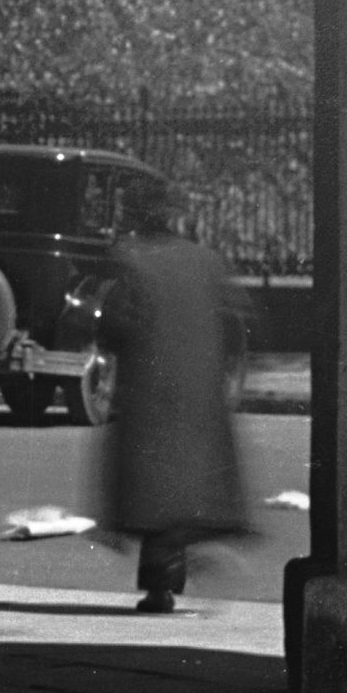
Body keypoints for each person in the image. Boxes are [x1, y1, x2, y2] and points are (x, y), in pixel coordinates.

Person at [95, 211, 246, 611]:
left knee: (154, 493)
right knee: (190, 483)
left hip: (149, 391)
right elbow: (234, 323)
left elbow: (112, 325)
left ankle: (162, 583)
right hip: (199, 387)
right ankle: (178, 562)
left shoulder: (134, 261)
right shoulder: (207, 261)